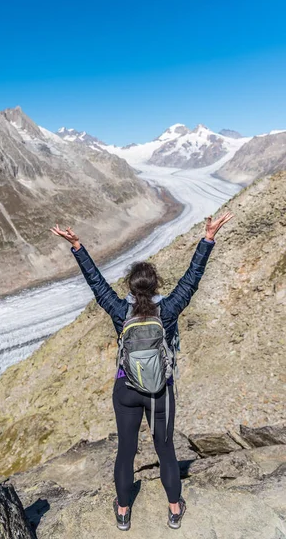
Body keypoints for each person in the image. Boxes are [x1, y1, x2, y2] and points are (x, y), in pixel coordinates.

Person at [50, 212, 233, 530]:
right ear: (157, 286)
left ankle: (123, 512)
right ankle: (174, 509)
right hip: (160, 391)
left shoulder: (120, 311)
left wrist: (77, 245)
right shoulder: (171, 309)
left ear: (131, 288)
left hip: (126, 390)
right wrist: (208, 238)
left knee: (126, 451)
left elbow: (96, 282)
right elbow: (192, 278)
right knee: (166, 450)